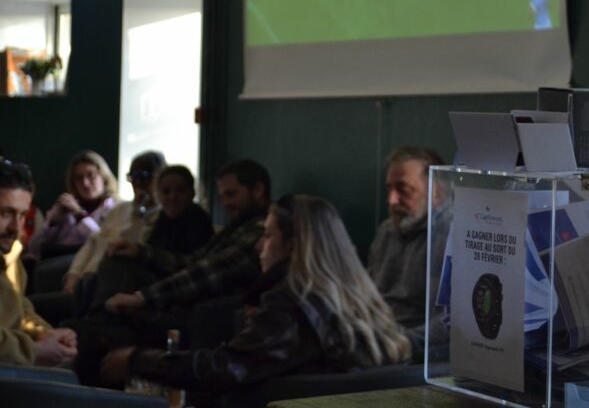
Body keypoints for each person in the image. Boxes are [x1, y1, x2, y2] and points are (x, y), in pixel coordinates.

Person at [99, 195, 410, 403]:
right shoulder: (363, 302)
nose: (259, 246)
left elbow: (224, 369)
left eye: (268, 235)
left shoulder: (290, 304)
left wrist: (136, 359)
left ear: (293, 245)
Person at [69, 159, 270, 384]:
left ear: (258, 190)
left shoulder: (260, 231)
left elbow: (208, 272)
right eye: (222, 196)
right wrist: (141, 252)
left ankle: (95, 332)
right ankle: (98, 330)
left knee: (98, 331)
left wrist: (142, 298)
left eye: (231, 194)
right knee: (115, 267)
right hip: (175, 299)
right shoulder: (235, 228)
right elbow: (191, 261)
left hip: (195, 309)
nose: (225, 203)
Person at [367, 147, 451, 347]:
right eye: (389, 189)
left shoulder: (451, 235)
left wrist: (402, 343)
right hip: (376, 338)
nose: (391, 200)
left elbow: (451, 319)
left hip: (415, 349)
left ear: (437, 192)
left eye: (403, 189)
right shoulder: (387, 230)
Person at [0, 157, 78, 366]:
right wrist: (33, 350)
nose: (16, 228)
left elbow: (20, 308)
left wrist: (44, 333)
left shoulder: (10, 256)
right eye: (5, 213)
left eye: (22, 215)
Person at [62, 150, 166, 295]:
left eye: (144, 176)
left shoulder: (162, 215)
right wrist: (72, 276)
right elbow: (92, 242)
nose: (137, 183)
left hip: (111, 285)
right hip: (86, 280)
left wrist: (139, 211)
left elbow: (132, 242)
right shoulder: (120, 209)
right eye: (133, 176)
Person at [25, 150, 119, 261]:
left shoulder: (117, 208)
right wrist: (52, 222)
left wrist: (79, 214)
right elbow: (33, 248)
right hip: (54, 265)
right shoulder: (66, 206)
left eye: (91, 175)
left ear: (104, 177)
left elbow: (103, 244)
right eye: (79, 178)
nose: (85, 183)